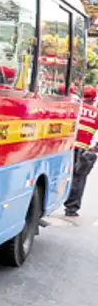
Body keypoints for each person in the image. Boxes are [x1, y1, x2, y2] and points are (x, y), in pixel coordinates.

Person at [66, 85, 98, 217]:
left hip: (68, 148)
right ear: (94, 98)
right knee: (79, 179)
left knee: (64, 175)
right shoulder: (96, 113)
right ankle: (71, 208)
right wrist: (95, 148)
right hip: (84, 151)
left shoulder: (75, 108)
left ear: (83, 96)